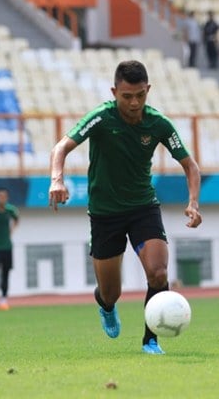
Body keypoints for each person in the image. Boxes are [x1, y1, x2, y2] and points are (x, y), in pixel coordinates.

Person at [48, 60, 202, 354]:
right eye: (127, 96)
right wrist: (57, 179)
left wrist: (193, 203)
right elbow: (61, 147)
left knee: (158, 273)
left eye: (140, 95)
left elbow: (190, 165)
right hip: (105, 213)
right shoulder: (102, 118)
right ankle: (105, 305)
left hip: (143, 207)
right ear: (114, 91)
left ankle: (150, 340)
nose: (134, 103)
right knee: (111, 292)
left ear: (148, 91)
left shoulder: (158, 124)